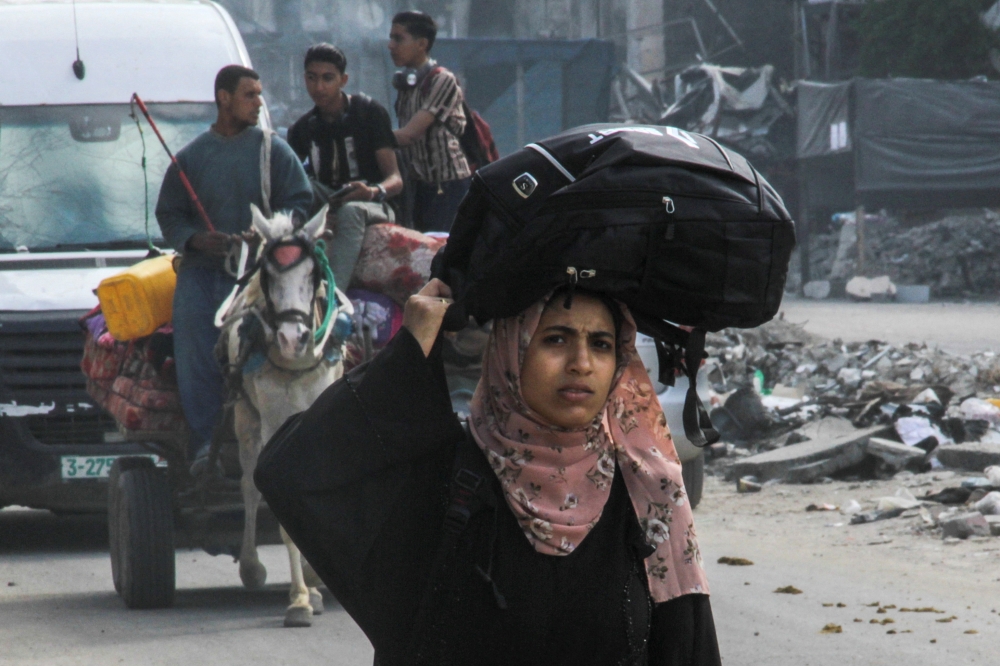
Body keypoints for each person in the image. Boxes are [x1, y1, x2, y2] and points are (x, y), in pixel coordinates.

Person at [256, 277, 722, 665]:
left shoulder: (649, 496)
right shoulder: (449, 477)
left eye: (600, 344)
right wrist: (409, 350)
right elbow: (290, 473)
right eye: (555, 338)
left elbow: (689, 648)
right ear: (510, 349)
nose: (581, 363)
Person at [156, 65, 312, 472]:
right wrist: (193, 239)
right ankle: (210, 444)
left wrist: (265, 232)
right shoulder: (190, 158)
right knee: (195, 349)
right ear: (224, 98)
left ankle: (276, 439)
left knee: (266, 347)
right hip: (202, 271)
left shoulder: (272, 150)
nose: (259, 102)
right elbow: (169, 213)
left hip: (256, 272)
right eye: (250, 95)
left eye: (260, 94)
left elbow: (299, 201)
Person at [287, 44, 403, 289]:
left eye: (328, 78)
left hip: (373, 203)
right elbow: (292, 184)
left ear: (343, 80)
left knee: (351, 210)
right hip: (330, 200)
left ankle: (335, 295)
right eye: (312, 78)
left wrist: (371, 191)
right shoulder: (301, 129)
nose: (319, 87)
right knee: (297, 187)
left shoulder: (369, 113)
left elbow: (395, 180)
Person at [389, 11, 472, 232]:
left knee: (442, 252)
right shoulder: (406, 85)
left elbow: (409, 134)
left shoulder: (442, 80)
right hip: (419, 189)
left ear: (421, 44)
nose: (391, 45)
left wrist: (368, 137)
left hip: (447, 188)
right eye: (391, 38)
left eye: (399, 38)